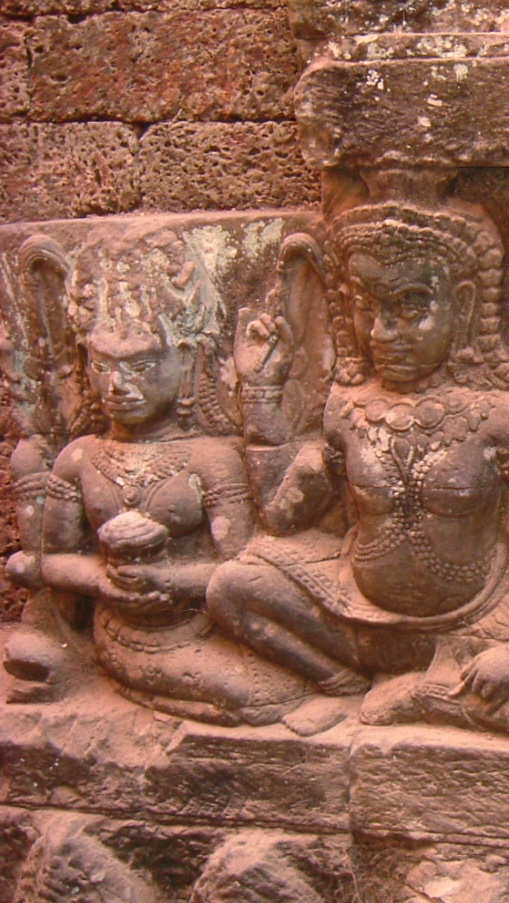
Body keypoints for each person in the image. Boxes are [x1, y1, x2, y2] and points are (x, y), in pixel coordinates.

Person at [207, 193, 509, 738]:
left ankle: (422, 697)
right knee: (231, 588)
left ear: (462, 306)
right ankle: (340, 682)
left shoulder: (507, 416)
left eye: (410, 307)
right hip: (357, 615)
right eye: (367, 307)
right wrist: (260, 393)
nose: (381, 332)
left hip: (477, 622)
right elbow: (280, 518)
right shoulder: (346, 410)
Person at [39, 229, 308, 725]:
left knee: (279, 688)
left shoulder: (211, 458)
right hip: (124, 634)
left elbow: (240, 569)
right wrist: (101, 580)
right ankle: (135, 691)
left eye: (141, 365)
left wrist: (169, 580)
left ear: (186, 360)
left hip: (201, 629)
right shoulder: (80, 457)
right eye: (102, 365)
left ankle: (159, 703)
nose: (118, 385)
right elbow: (50, 559)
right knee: (259, 697)